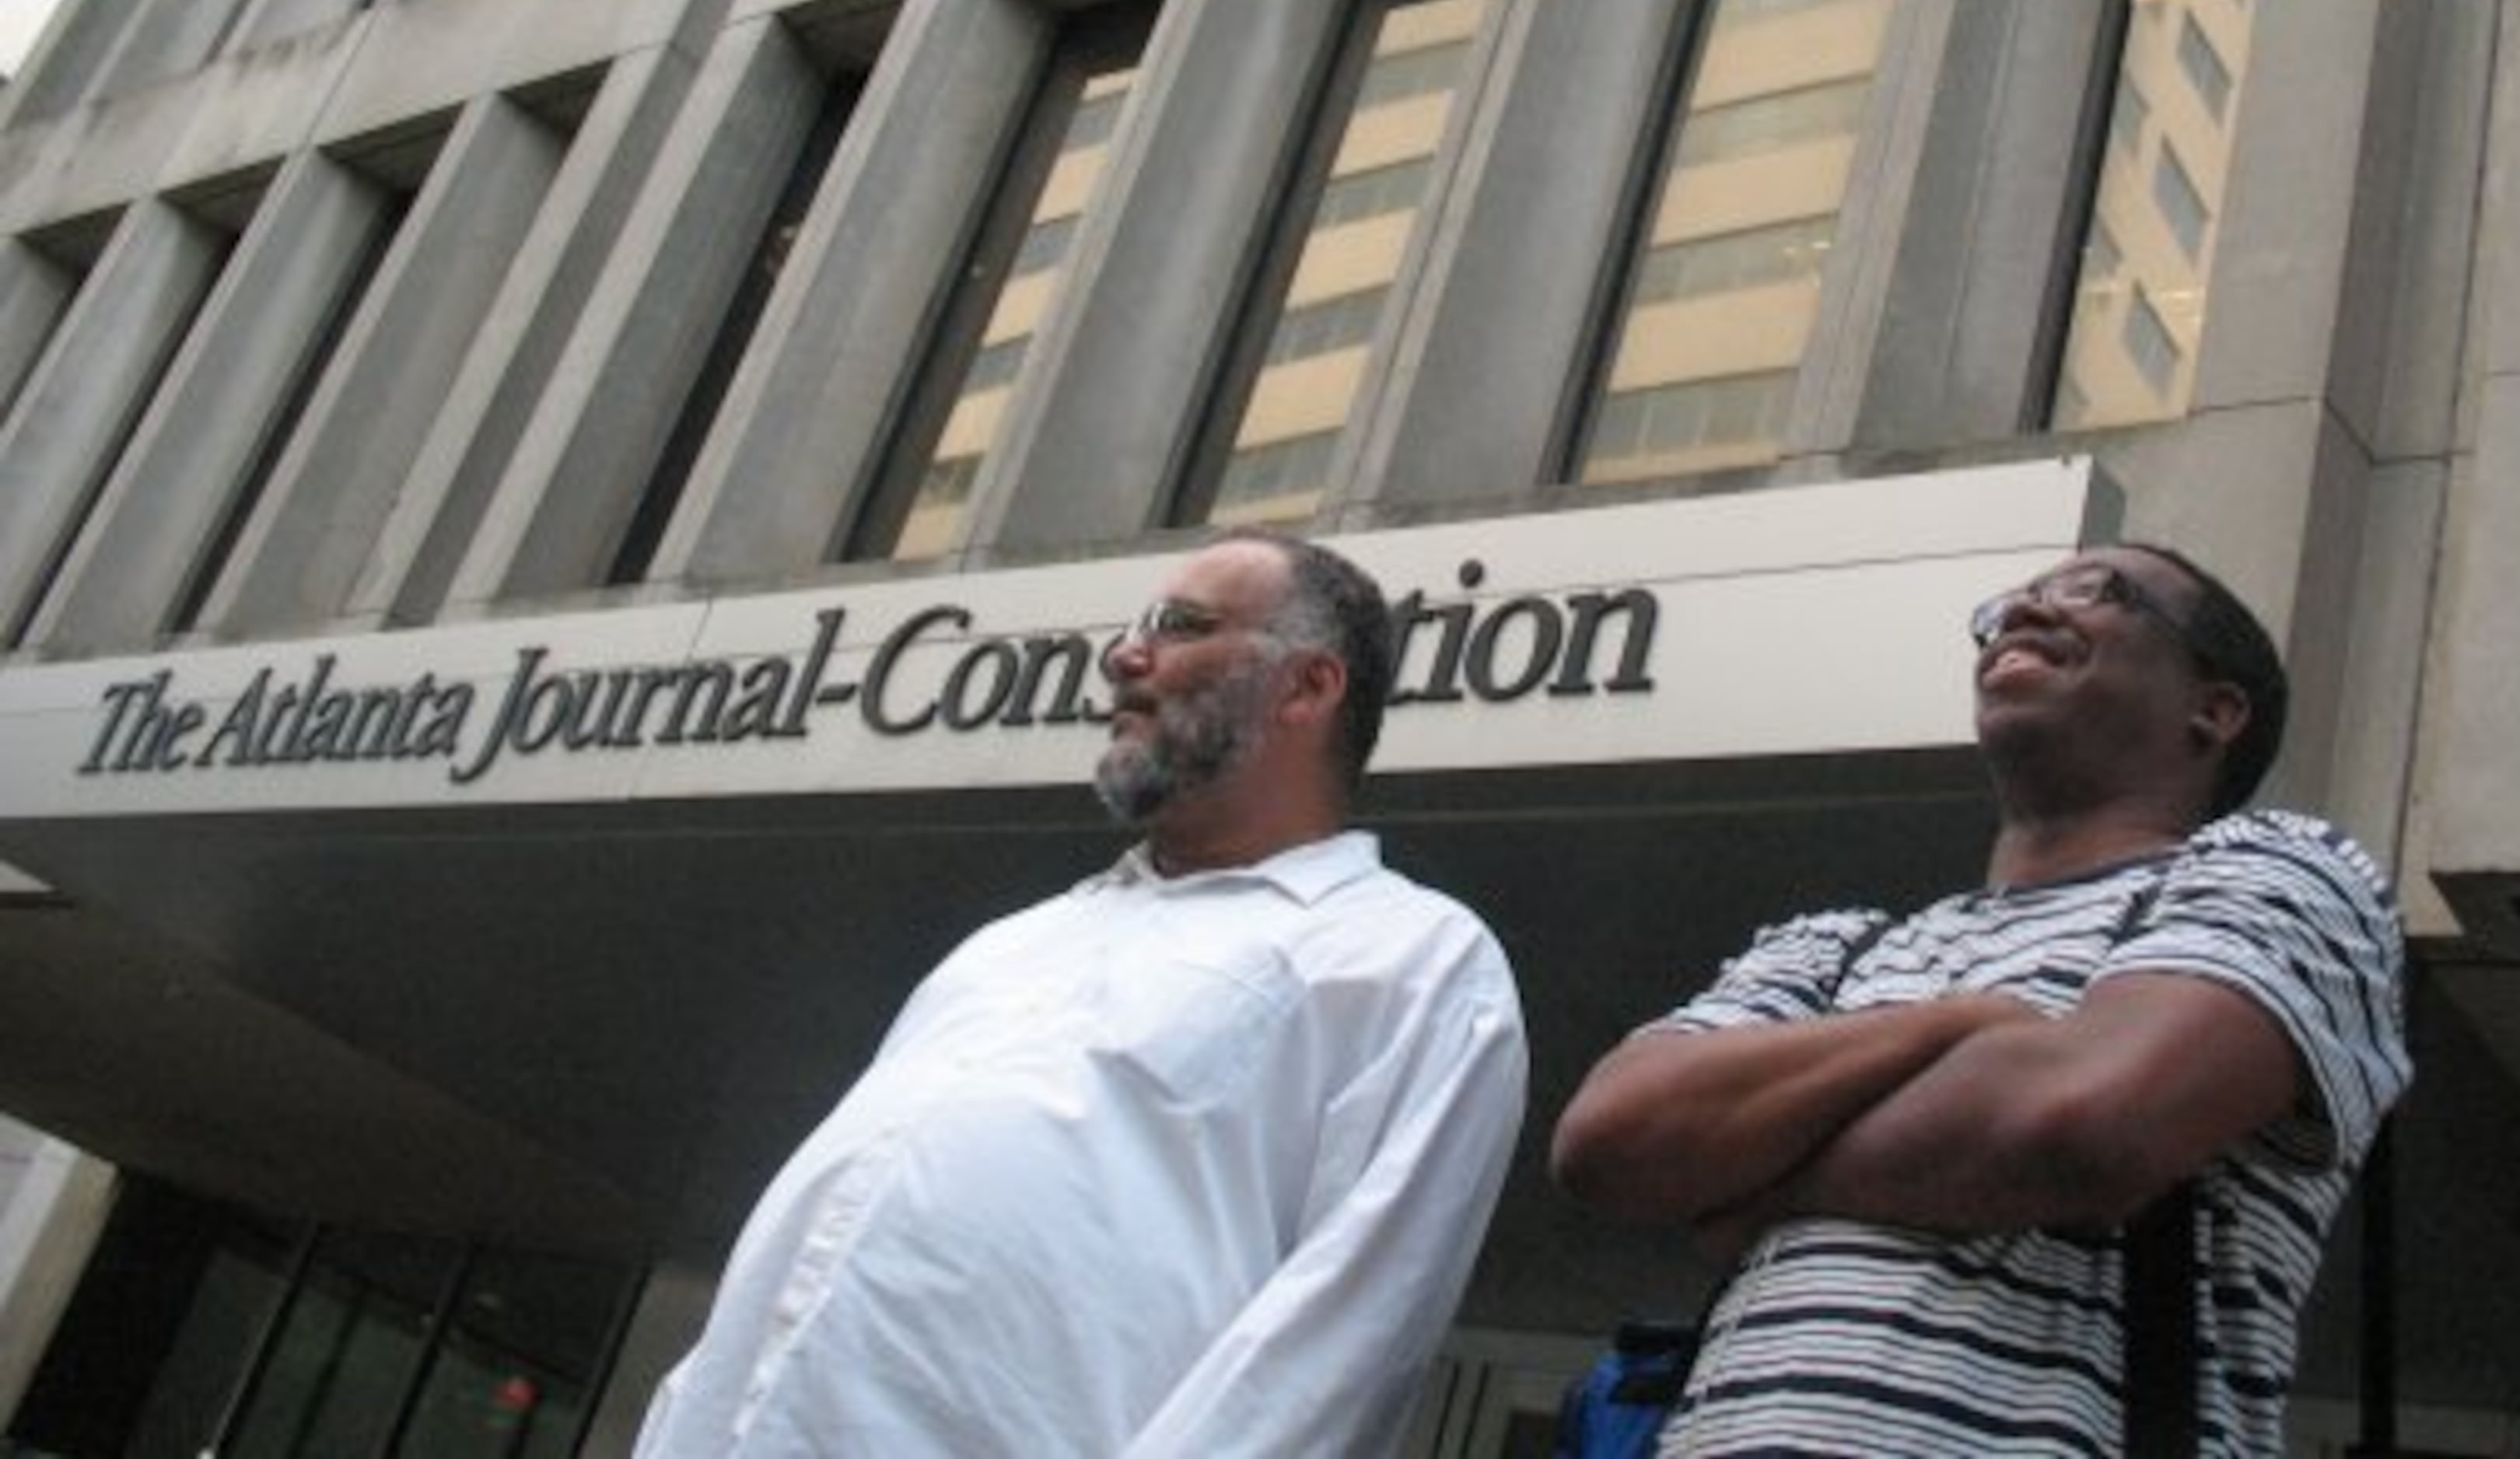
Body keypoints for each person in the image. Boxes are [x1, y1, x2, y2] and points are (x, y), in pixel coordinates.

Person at [635, 528, 1528, 1458]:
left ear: (1307, 687)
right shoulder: (1010, 942)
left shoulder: (1414, 959)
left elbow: (1331, 1360)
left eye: (1181, 626)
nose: (1123, 655)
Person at [1551, 541, 2410, 1458]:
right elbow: (1608, 1139)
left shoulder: (2282, 872)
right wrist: (1959, 1024)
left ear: (2214, 709)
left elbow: (2081, 1124)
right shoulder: (1833, 946)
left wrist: (1750, 1183)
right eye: (2015, 599)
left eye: (2094, 592)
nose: (2026, 613)